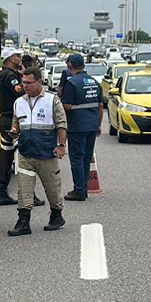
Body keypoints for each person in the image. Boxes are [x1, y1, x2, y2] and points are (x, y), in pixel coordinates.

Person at [7, 66, 66, 236]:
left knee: (52, 188)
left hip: (46, 152)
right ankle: (23, 222)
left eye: (29, 82)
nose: (25, 86)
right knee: (24, 189)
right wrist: (14, 130)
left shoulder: (52, 100)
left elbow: (62, 123)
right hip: (25, 153)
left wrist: (61, 146)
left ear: (39, 82)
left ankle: (56, 215)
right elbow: (15, 122)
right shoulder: (19, 102)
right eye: (23, 82)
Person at [0, 49, 41, 209]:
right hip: (15, 119)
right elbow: (21, 92)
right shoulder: (10, 77)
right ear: (11, 58)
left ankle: (2, 192)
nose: (20, 58)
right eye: (18, 56)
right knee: (24, 157)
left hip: (6, 119)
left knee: (5, 156)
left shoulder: (0, 74)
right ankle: (29, 195)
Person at [58, 53, 103, 201]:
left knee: (77, 158)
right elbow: (100, 106)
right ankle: (83, 188)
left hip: (77, 126)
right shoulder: (94, 82)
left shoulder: (71, 83)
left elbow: (67, 106)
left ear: (70, 65)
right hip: (92, 125)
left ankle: (79, 190)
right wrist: (98, 125)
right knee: (86, 158)